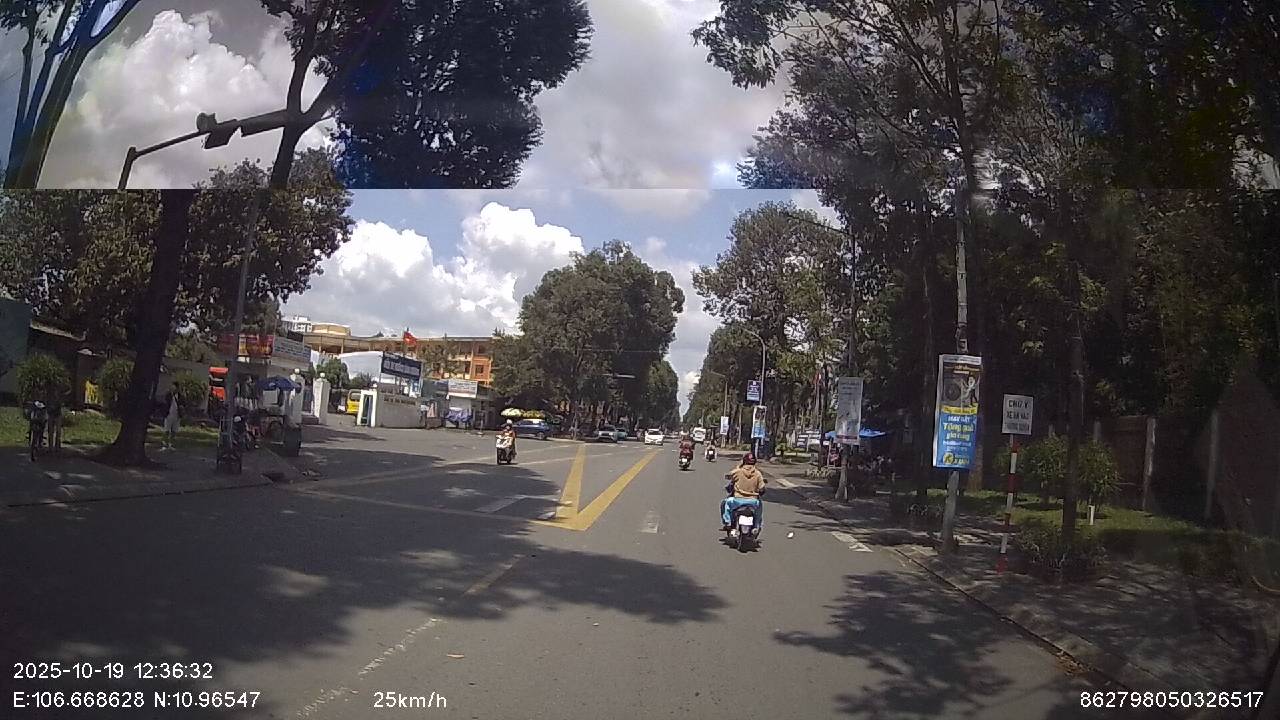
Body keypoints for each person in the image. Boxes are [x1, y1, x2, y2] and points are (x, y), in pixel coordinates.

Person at [721, 453, 767, 530]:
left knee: (726, 503)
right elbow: (762, 489)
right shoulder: (758, 474)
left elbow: (729, 475)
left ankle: (728, 522)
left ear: (744, 461)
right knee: (759, 509)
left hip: (737, 500)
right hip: (753, 501)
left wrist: (738, 466)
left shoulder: (738, 472)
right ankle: (756, 526)